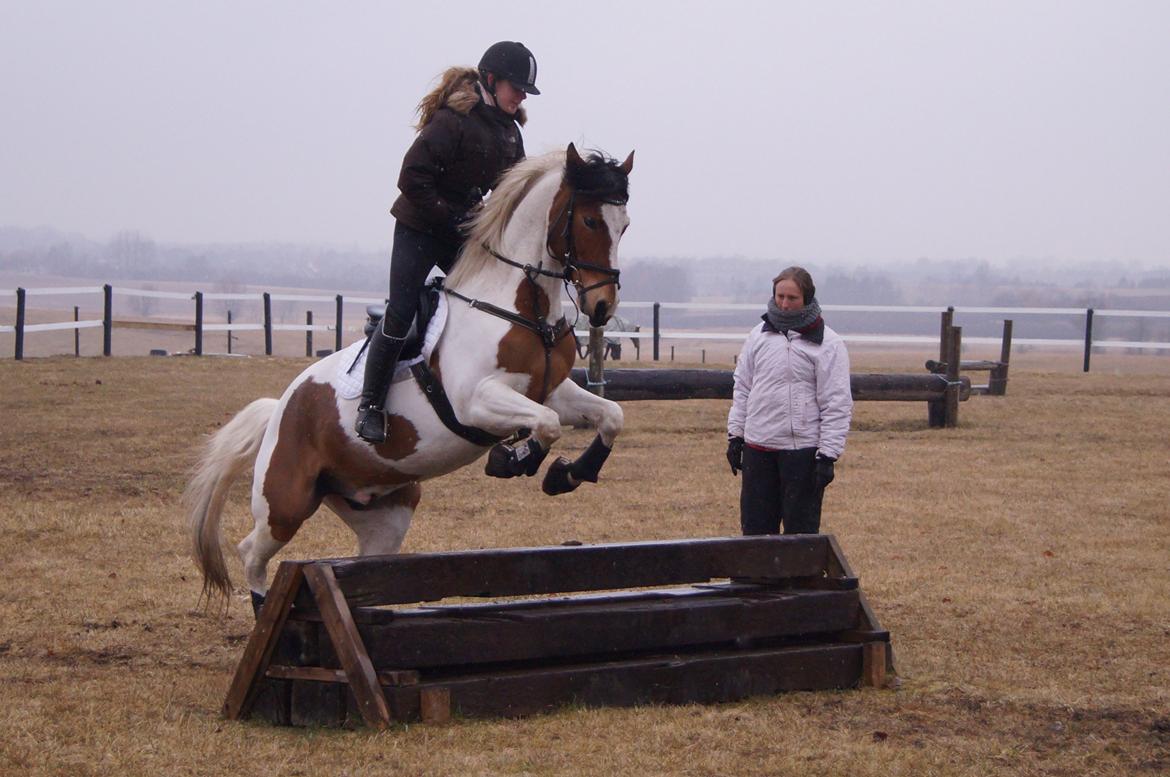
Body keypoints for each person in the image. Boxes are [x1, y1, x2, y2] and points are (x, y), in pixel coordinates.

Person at [355, 41, 540, 443]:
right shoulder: (451, 121)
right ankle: (370, 404)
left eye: (525, 91)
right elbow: (411, 178)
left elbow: (512, 191)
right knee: (402, 313)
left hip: (461, 232)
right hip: (419, 229)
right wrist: (455, 219)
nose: (522, 96)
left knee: (490, 306)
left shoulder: (510, 134)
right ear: (491, 80)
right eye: (517, 87)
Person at [725, 267, 853, 535]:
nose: (784, 303)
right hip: (758, 448)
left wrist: (827, 455)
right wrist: (736, 436)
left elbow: (837, 403)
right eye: (780, 296)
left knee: (801, 538)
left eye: (792, 298)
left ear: (807, 298)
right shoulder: (757, 336)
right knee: (755, 536)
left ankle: (799, 580)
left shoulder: (828, 344)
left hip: (802, 453)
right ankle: (758, 580)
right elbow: (743, 388)